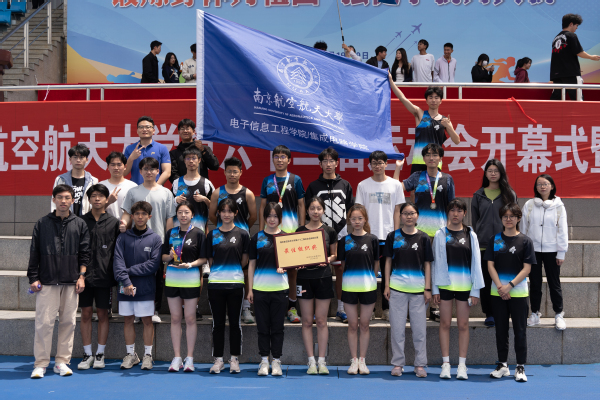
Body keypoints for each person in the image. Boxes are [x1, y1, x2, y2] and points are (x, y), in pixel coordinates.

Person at [28, 185, 91, 379]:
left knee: (68, 323)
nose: (63, 201)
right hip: (47, 281)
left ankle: (62, 362)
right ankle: (40, 364)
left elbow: (85, 253)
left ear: (73, 200)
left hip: (71, 281)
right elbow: (34, 252)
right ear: (53, 199)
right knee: (44, 324)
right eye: (60, 197)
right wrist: (33, 277)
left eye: (67, 197)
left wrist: (82, 276)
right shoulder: (42, 223)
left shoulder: (79, 224)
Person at [432, 198, 484, 380]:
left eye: (459, 210)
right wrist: (435, 289)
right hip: (444, 285)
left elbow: (476, 263)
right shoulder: (440, 234)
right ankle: (445, 364)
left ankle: (462, 365)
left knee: (463, 325)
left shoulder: (471, 235)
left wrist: (475, 290)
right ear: (448, 213)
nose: (455, 214)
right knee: (444, 324)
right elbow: (435, 262)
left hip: (464, 286)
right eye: (452, 210)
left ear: (464, 213)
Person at [484, 203, 535, 383]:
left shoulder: (525, 241)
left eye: (512, 216)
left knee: (520, 330)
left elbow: (527, 269)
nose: (508, 219)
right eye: (505, 216)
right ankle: (503, 365)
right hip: (497, 292)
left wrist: (510, 286)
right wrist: (500, 287)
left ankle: (520, 366)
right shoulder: (495, 239)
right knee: (501, 330)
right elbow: (490, 265)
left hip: (518, 293)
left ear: (518, 218)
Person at [121, 157, 176, 323]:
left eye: (152, 169)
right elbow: (127, 213)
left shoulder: (166, 193)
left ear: (158, 171)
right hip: (136, 241)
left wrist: (168, 241)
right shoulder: (133, 192)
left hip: (157, 241)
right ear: (140, 171)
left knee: (156, 276)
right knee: (136, 274)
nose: (149, 172)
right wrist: (123, 223)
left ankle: (154, 310)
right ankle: (138, 311)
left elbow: (169, 218)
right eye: (145, 169)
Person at [383, 202, 433, 378]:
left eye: (412, 213)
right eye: (405, 213)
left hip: (419, 291)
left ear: (417, 215)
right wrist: (387, 285)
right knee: (397, 330)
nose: (409, 216)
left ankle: (420, 364)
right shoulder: (393, 236)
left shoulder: (424, 237)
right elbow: (388, 261)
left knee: (419, 331)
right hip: (397, 289)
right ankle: (398, 363)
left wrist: (428, 288)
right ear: (400, 216)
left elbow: (427, 264)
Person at [304, 147, 353, 323]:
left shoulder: (345, 185)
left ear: (337, 163)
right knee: (316, 270)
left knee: (340, 270)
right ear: (320, 164)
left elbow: (350, 211)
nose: (328, 164)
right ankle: (316, 311)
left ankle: (341, 308)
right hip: (318, 237)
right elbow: (307, 212)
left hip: (341, 236)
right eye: (325, 161)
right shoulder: (313, 186)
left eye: (331, 160)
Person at [354, 150, 405, 320]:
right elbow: (360, 212)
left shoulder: (395, 185)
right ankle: (368, 309)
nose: (377, 166)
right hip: (368, 237)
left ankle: (386, 309)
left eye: (380, 162)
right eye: (374, 163)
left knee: (388, 274)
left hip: (389, 236)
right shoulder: (363, 185)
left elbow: (397, 211)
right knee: (368, 274)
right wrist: (363, 234)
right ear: (370, 165)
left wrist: (396, 234)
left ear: (386, 164)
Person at [202, 198, 250, 374]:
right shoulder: (212, 235)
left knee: (235, 323)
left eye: (230, 211)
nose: (226, 214)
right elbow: (210, 260)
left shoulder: (243, 234)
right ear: (219, 213)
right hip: (216, 284)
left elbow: (244, 260)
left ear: (236, 213)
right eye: (223, 211)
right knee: (218, 323)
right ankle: (218, 359)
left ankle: (234, 359)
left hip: (236, 284)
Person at [113, 201, 163, 370]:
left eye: (143, 214)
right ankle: (131, 355)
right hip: (125, 287)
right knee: (128, 320)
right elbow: (118, 262)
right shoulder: (122, 237)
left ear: (149, 217)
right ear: (132, 217)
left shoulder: (155, 238)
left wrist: (128, 271)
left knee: (147, 320)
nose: (140, 217)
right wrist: (126, 281)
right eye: (137, 214)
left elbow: (153, 265)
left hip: (146, 287)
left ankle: (148, 356)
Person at [259, 145, 305, 323]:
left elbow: (301, 205)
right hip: (271, 233)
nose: (279, 159)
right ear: (273, 159)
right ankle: (273, 306)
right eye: (276, 156)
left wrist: (301, 230)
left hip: (291, 233)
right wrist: (261, 230)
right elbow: (263, 206)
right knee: (272, 268)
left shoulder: (296, 179)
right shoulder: (267, 180)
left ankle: (292, 307)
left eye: (283, 157)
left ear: (289, 160)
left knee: (292, 272)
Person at [208, 156, 257, 323]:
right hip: (221, 238)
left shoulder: (248, 193)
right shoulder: (217, 192)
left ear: (241, 172)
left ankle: (246, 308)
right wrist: (222, 226)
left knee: (245, 271)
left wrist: (241, 230)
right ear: (225, 172)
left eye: (235, 171)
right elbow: (212, 215)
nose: (232, 174)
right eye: (229, 171)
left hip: (242, 238)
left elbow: (253, 217)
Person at [77, 184, 120, 371]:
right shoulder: (80, 221)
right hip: (84, 277)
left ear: (106, 199)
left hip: (104, 277)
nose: (97, 199)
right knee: (86, 314)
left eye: (100, 196)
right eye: (93, 196)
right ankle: (87, 354)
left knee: (103, 314)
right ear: (89, 199)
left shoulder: (114, 222)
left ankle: (100, 353)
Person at [471, 159, 517, 327]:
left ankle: (503, 312)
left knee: (503, 278)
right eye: (489, 170)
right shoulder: (478, 195)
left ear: (501, 173)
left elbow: (514, 218)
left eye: (496, 171)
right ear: (485, 173)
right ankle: (489, 313)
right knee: (486, 281)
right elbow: (475, 221)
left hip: (504, 244)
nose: (492, 173)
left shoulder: (509, 194)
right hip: (483, 245)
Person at [162, 201, 207, 372]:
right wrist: (169, 256)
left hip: (190, 278)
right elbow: (162, 257)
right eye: (180, 212)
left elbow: (204, 258)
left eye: (186, 212)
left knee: (190, 318)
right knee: (175, 318)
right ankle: (177, 357)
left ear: (192, 215)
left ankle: (190, 358)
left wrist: (190, 264)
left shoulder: (198, 233)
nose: (183, 215)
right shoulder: (171, 232)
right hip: (173, 278)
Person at [296, 197, 338, 375]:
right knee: (306, 321)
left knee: (321, 321)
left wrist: (327, 259)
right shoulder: (300, 231)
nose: (315, 211)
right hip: (304, 278)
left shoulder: (329, 231)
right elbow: (294, 255)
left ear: (323, 210)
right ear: (307, 211)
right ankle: (311, 361)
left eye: (318, 208)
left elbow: (335, 254)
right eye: (312, 208)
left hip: (323, 277)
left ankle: (322, 361)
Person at [522, 174, 568, 330]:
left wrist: (561, 252)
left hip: (552, 250)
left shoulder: (559, 206)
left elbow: (563, 230)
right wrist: (524, 250)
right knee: (535, 283)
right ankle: (535, 313)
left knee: (554, 283)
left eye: (545, 184)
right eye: (539, 184)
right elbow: (523, 229)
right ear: (535, 187)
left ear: (552, 186)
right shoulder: (529, 205)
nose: (542, 186)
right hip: (533, 250)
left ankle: (558, 314)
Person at [248, 203, 288, 376]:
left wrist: (285, 267)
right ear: (264, 218)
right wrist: (250, 289)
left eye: (275, 216)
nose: (272, 219)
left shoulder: (286, 238)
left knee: (278, 327)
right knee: (263, 328)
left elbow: (292, 263)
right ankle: (264, 360)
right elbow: (251, 265)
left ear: (280, 218)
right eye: (269, 216)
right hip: (260, 289)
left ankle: (276, 361)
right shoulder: (256, 238)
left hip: (280, 289)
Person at [389, 76, 460, 174]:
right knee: (416, 185)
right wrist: (391, 80)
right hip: (419, 161)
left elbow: (457, 141)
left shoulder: (445, 120)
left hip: (435, 163)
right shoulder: (420, 114)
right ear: (426, 100)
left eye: (436, 98)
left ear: (440, 101)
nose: (433, 100)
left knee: (433, 185)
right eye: (430, 97)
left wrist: (448, 127)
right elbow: (402, 98)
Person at [338, 204, 379, 375]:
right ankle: (353, 360)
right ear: (349, 220)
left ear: (365, 220)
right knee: (353, 325)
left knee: (364, 325)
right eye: (353, 218)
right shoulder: (344, 241)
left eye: (360, 218)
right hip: (349, 286)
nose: (356, 221)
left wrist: (370, 278)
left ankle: (363, 360)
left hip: (368, 286)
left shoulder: (373, 239)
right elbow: (342, 265)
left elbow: (376, 263)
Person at [399, 143, 455, 238]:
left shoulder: (447, 179)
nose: (431, 158)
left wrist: (450, 230)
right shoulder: (417, 176)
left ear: (440, 158)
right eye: (428, 155)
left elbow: (452, 206)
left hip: (441, 232)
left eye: (435, 155)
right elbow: (396, 188)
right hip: (419, 231)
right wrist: (398, 167)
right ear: (424, 158)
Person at [550, 14, 600, 100]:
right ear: (571, 24)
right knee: (577, 99)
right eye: (576, 25)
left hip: (557, 74)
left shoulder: (556, 38)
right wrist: (592, 57)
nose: (577, 28)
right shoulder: (571, 35)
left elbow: (562, 56)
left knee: (556, 100)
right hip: (571, 74)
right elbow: (579, 52)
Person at [172, 146, 214, 232]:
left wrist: (205, 199)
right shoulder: (177, 182)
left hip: (199, 231)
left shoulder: (206, 183)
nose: (191, 161)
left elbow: (215, 208)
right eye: (188, 158)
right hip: (179, 231)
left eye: (194, 158)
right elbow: (168, 207)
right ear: (184, 161)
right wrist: (175, 200)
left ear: (199, 160)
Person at [51, 144, 98, 217]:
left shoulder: (93, 181)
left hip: (86, 219)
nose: (78, 160)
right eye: (75, 157)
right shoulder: (61, 179)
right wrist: (55, 219)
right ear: (70, 159)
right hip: (65, 219)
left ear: (87, 160)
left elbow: (94, 203)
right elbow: (54, 202)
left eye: (81, 157)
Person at [124, 116, 171, 185]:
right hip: (135, 188)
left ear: (153, 130)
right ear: (137, 131)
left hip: (155, 188)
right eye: (141, 127)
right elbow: (124, 173)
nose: (144, 129)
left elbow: (167, 172)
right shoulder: (130, 148)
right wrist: (131, 158)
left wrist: (156, 187)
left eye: (148, 127)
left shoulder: (162, 148)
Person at [169, 118, 219, 183]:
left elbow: (215, 166)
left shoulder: (204, 149)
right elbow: (173, 174)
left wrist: (203, 151)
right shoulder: (173, 153)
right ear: (178, 132)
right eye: (182, 128)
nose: (185, 131)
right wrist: (183, 185)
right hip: (182, 188)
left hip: (201, 186)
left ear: (193, 131)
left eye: (188, 128)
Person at [101, 151, 137, 220]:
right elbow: (95, 210)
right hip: (105, 224)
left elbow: (137, 210)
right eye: (113, 165)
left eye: (119, 165)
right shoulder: (101, 186)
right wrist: (108, 202)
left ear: (125, 166)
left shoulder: (133, 186)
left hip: (128, 225)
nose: (116, 168)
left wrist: (127, 224)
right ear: (108, 167)